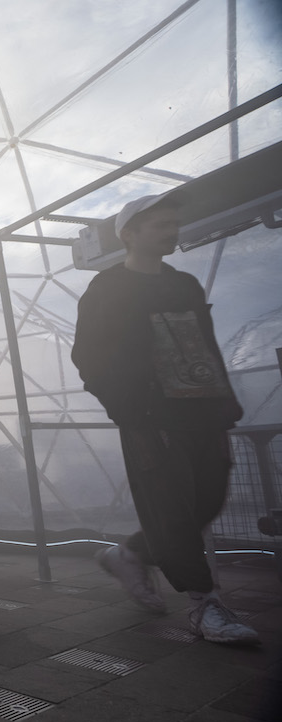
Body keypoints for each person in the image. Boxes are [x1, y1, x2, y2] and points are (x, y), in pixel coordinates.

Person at [71, 192, 258, 645]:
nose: (172, 230)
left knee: (208, 501)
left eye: (174, 223)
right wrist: (130, 409)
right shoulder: (108, 288)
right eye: (160, 224)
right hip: (152, 417)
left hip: (204, 410)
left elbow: (205, 344)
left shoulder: (184, 285)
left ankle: (130, 554)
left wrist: (226, 402)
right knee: (172, 508)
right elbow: (88, 355)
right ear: (129, 234)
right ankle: (204, 604)